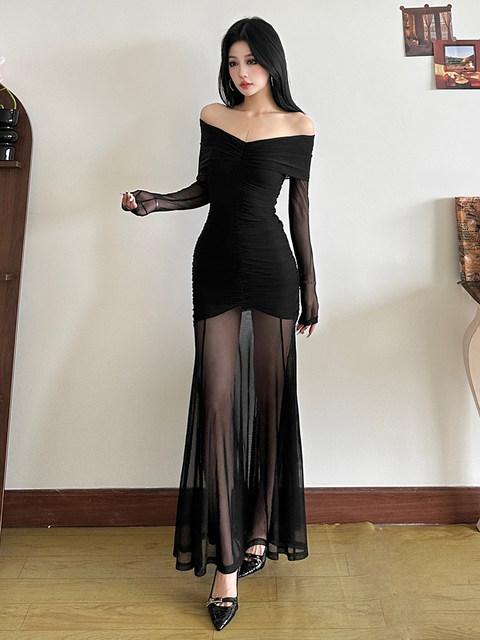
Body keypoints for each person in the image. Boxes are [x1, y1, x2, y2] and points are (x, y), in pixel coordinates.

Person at [121, 16, 318, 631]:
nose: (242, 72)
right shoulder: (213, 116)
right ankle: (226, 563)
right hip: (214, 268)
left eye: (251, 60)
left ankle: (259, 529)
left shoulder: (299, 126)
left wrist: (311, 289)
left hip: (274, 270)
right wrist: (157, 201)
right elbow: (205, 187)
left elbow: (300, 212)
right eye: (233, 62)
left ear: (272, 62)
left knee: (271, 403)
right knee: (215, 405)